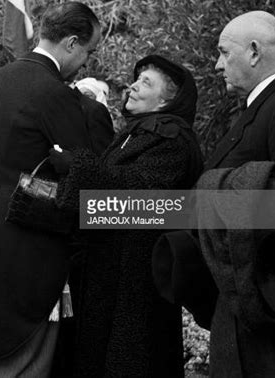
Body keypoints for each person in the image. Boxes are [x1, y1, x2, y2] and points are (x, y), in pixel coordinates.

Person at [0, 1, 101, 377]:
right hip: (35, 248)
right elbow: (85, 174)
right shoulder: (56, 93)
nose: (86, 62)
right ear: (70, 43)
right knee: (28, 360)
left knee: (4, 355)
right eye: (88, 51)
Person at [50, 55, 203, 377]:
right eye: (137, 78)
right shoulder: (140, 133)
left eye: (146, 82)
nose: (132, 85)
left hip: (136, 279)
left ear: (167, 101)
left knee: (132, 359)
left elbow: (140, 196)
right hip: (112, 273)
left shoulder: (172, 139)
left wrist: (77, 165)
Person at [198, 11, 275, 377]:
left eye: (224, 52)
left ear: (254, 52)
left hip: (270, 302)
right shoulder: (264, 104)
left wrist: (215, 190)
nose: (218, 65)